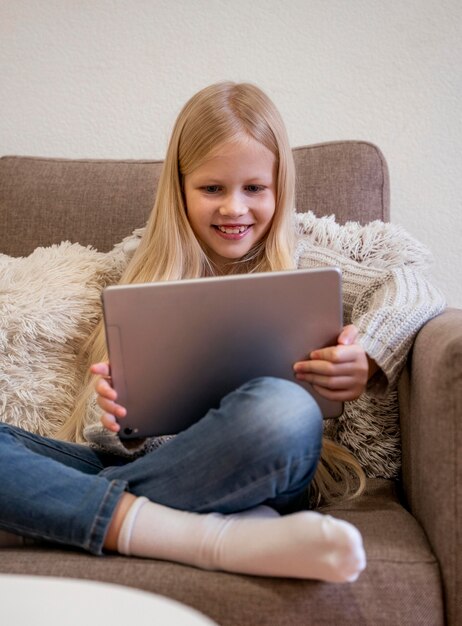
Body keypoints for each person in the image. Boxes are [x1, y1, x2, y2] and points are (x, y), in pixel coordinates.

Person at [0, 82, 445, 583]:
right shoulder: (139, 272)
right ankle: (207, 536)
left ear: (279, 188)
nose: (234, 209)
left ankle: (48, 510)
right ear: (181, 188)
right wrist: (113, 419)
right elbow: (105, 435)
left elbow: (411, 282)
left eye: (254, 188)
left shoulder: (309, 259)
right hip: (156, 466)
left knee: (284, 409)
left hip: (265, 461)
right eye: (212, 189)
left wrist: (367, 355)